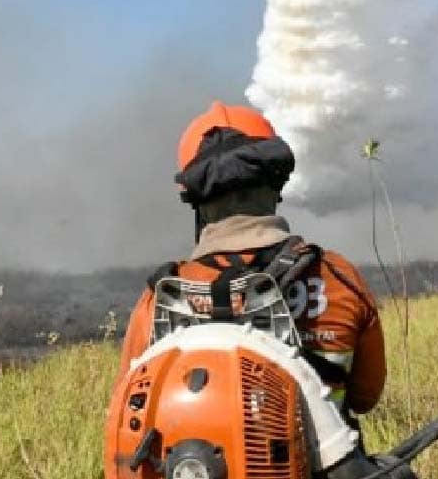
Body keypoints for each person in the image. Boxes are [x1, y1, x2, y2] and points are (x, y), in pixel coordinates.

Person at [114, 100, 386, 421]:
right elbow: (365, 398)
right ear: (277, 186)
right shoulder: (337, 279)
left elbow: (127, 411)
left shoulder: (160, 300)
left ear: (197, 202)